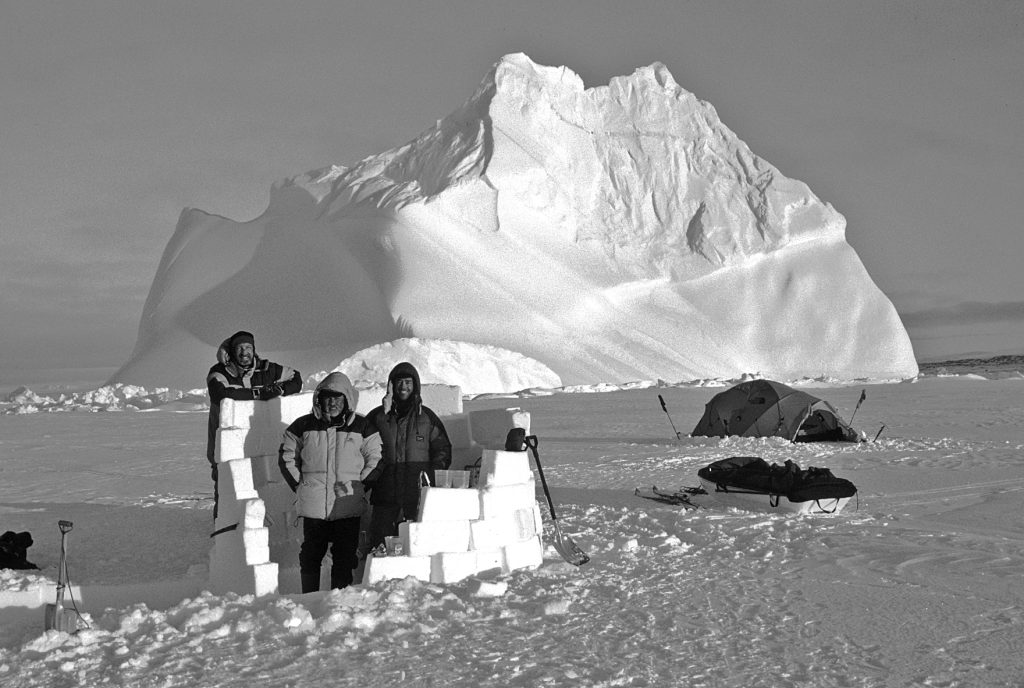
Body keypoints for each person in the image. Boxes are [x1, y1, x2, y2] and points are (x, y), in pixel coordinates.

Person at [278, 372, 382, 592]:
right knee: (310, 555)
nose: (332, 402)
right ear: (319, 399)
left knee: (345, 557)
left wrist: (361, 485)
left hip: (347, 505)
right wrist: (301, 485)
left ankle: (338, 602)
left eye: (338, 397)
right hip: (314, 507)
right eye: (328, 397)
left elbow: (377, 457)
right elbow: (287, 455)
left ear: (347, 400)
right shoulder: (302, 426)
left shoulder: (362, 427)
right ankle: (309, 599)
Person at [206, 330, 302, 517]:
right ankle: (224, 527)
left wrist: (280, 390)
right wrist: (259, 394)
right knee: (227, 483)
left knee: (261, 484)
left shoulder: (266, 369)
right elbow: (221, 394)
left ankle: (258, 524)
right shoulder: (219, 372)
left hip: (259, 441)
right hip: (227, 443)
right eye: (240, 348)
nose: (244, 353)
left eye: (248, 347)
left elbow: (296, 378)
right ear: (232, 351)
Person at [363, 362, 452, 551]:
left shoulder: (426, 418)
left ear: (415, 386)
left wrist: (430, 478)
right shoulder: (377, 417)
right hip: (385, 494)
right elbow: (360, 449)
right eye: (399, 382)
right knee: (380, 547)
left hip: (416, 496)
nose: (403, 387)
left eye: (408, 382)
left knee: (417, 547)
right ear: (391, 386)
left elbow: (442, 448)